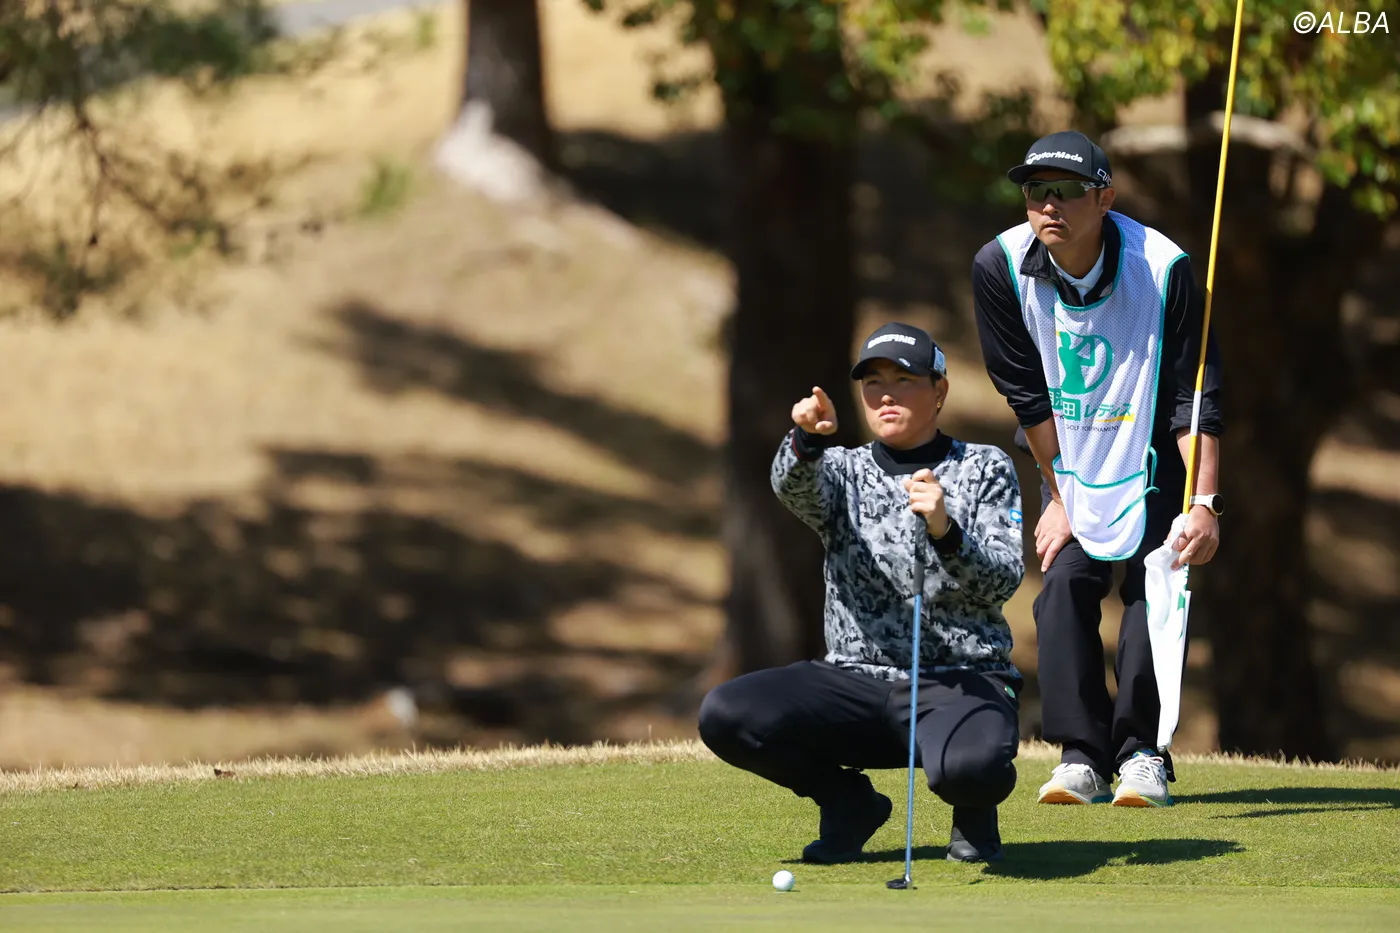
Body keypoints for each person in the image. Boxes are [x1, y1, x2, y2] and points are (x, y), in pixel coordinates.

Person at [698, 322, 1026, 864]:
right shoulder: (840, 469)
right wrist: (806, 439)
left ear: (939, 391)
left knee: (972, 770)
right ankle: (848, 802)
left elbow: (1003, 579)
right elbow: (792, 487)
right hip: (854, 682)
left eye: (904, 380)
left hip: (961, 680)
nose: (886, 395)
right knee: (727, 714)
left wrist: (946, 531)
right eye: (874, 383)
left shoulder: (984, 466)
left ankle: (972, 810)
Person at [970, 130, 1224, 808]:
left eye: (1067, 190)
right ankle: (1081, 755)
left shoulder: (1164, 267)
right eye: (1036, 192)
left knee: (1154, 587)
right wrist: (1059, 495)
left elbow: (1194, 398)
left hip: (1152, 452)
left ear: (1105, 198)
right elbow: (1027, 397)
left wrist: (1204, 501)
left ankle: (1142, 753)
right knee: (1063, 585)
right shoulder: (999, 265)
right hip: (1069, 458)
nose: (1049, 205)